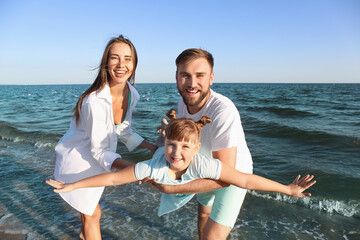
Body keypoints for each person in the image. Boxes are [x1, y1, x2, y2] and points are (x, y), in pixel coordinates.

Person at [47, 111, 316, 221]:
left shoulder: (204, 164)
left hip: (188, 184)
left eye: (186, 147)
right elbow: (113, 179)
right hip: (169, 183)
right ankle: (168, 125)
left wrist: (286, 189)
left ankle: (171, 123)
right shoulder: (155, 165)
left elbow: (245, 180)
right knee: (164, 177)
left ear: (197, 149)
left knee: (205, 202)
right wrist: (72, 184)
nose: (177, 153)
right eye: (172, 145)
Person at [53, 35, 157, 240]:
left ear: (134, 63)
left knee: (90, 215)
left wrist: (152, 147)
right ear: (105, 63)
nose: (121, 64)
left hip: (96, 162)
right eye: (115, 58)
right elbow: (100, 151)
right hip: (78, 162)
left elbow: (123, 128)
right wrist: (133, 169)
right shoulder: (95, 101)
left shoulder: (132, 93)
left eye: (127, 59)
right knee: (93, 214)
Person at [151, 48, 255, 240]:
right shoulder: (184, 102)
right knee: (203, 214)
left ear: (211, 78)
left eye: (200, 75)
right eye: (185, 75)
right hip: (204, 166)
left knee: (212, 237)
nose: (192, 84)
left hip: (233, 175)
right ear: (176, 77)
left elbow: (225, 176)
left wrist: (173, 188)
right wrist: (169, 132)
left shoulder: (223, 111)